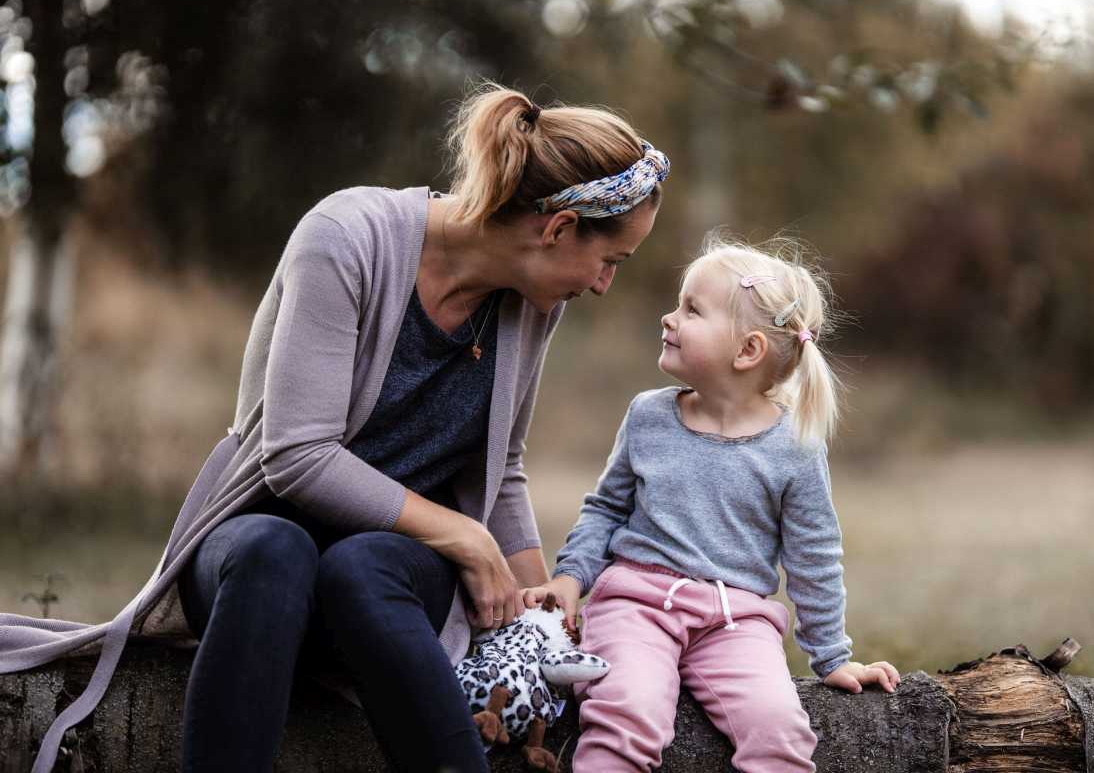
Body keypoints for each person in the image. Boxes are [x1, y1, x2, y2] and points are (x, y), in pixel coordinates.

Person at [0, 82, 669, 773]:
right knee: (273, 549)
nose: (602, 285)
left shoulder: (533, 302)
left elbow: (504, 463)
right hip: (252, 566)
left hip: (387, 581)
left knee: (362, 564)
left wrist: (536, 609)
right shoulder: (348, 237)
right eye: (610, 261)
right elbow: (297, 455)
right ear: (557, 229)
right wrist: (465, 538)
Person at [527, 233, 901, 772]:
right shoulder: (648, 417)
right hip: (634, 606)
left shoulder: (794, 447)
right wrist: (571, 576)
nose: (669, 318)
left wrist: (832, 658)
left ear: (747, 350)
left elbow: (814, 556)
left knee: (780, 729)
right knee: (626, 712)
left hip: (735, 623)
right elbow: (606, 510)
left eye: (691, 310)